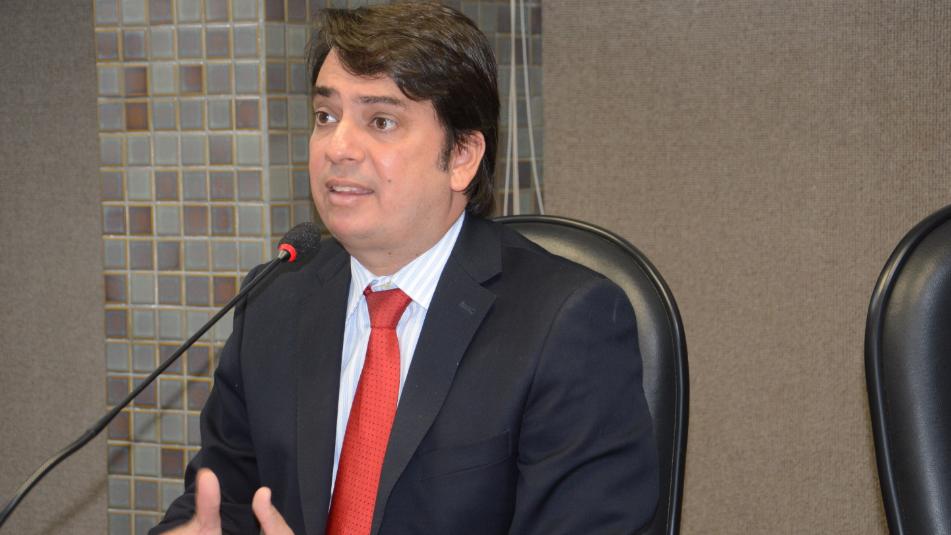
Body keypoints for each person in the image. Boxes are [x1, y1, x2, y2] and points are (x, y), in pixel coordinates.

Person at [152, 4, 658, 534]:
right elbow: (219, 503)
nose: (338, 147)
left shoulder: (566, 324)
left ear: (461, 156)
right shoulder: (274, 300)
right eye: (326, 116)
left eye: (381, 121)